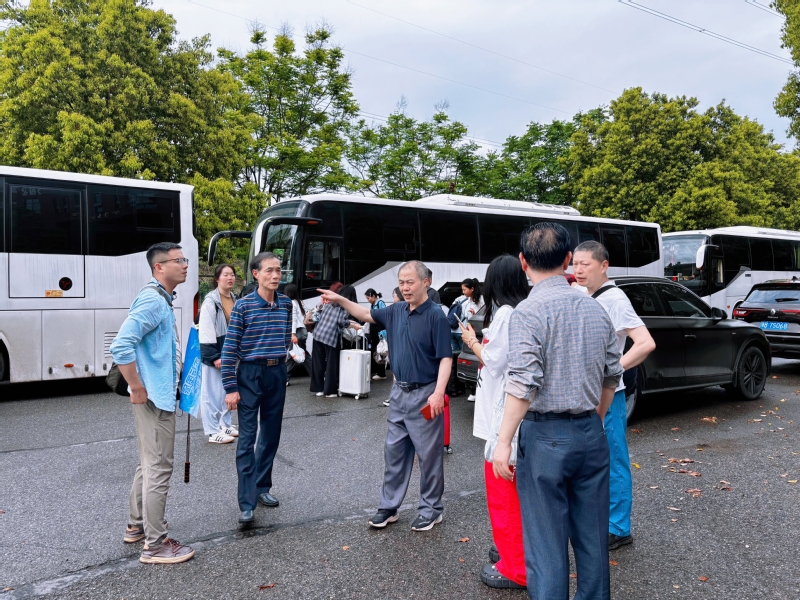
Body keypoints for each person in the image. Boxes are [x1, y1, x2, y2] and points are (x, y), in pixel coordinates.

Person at [492, 223, 623, 599]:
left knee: (546, 546)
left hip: (545, 437)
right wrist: (596, 419)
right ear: (568, 259)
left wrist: (503, 441)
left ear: (523, 261)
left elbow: (523, 383)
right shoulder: (595, 309)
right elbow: (612, 375)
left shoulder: (527, 312)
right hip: (590, 431)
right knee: (593, 541)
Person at [317, 260, 452, 532]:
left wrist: (439, 393)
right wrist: (341, 299)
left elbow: (446, 358)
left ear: (426, 282)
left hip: (425, 394)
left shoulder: (436, 315)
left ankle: (431, 509)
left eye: (410, 282)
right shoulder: (395, 310)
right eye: (401, 282)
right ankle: (389, 507)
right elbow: (365, 314)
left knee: (429, 456)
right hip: (399, 392)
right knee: (394, 453)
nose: (405, 287)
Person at [111, 242, 194, 564]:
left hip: (157, 393)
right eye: (178, 260)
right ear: (159, 267)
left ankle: (137, 526)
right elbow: (121, 346)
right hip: (154, 398)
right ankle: (156, 545)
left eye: (185, 259)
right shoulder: (153, 300)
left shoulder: (160, 298)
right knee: (159, 467)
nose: (185, 264)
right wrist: (136, 386)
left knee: (147, 463)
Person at [572, 241, 656, 551]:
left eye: (585, 264)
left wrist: (614, 368)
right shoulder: (580, 293)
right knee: (588, 460)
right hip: (582, 394)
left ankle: (619, 527)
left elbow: (645, 343)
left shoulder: (615, 299)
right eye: (575, 264)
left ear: (604, 265)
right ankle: (596, 519)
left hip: (610, 395)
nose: (578, 270)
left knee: (614, 460)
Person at [459, 254, 529, 590]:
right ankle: (513, 552)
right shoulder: (524, 310)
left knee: (503, 495)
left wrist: (472, 341)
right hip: (518, 416)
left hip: (504, 419)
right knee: (518, 495)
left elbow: (494, 361)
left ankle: (515, 567)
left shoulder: (505, 314)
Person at [221, 252, 293, 525]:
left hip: (277, 372)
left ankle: (262, 487)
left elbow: (285, 338)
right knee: (248, 437)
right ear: (256, 274)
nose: (275, 275)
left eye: (278, 270)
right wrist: (231, 387)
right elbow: (230, 348)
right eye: (269, 271)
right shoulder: (244, 306)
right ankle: (247, 501)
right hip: (250, 374)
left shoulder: (286, 304)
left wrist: (278, 361)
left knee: (271, 435)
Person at [198, 263, 239, 444]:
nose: (230, 278)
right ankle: (212, 431)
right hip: (216, 353)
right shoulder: (211, 301)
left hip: (229, 352)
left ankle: (225, 424)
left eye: (232, 274)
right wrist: (214, 356)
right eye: (225, 275)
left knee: (226, 390)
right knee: (211, 393)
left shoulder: (235, 298)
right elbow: (205, 330)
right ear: (217, 278)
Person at [306, 282, 356, 397]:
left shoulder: (330, 301)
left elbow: (319, 314)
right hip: (330, 336)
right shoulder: (345, 306)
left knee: (318, 363)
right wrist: (352, 324)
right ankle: (330, 391)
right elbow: (341, 321)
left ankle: (319, 389)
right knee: (331, 364)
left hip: (318, 334)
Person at [284, 283, 310, 386]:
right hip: (301, 332)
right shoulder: (298, 302)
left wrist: (293, 334)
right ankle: (285, 378)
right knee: (295, 355)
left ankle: (318, 376)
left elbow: (293, 319)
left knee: (301, 356)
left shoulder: (292, 303)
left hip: (297, 332)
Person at [365, 288, 387, 380]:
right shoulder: (373, 305)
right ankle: (377, 371)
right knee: (375, 351)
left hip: (379, 332)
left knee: (380, 351)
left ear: (373, 296)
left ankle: (381, 373)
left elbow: (384, 317)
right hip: (374, 332)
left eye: (368, 298)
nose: (368, 300)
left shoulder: (380, 303)